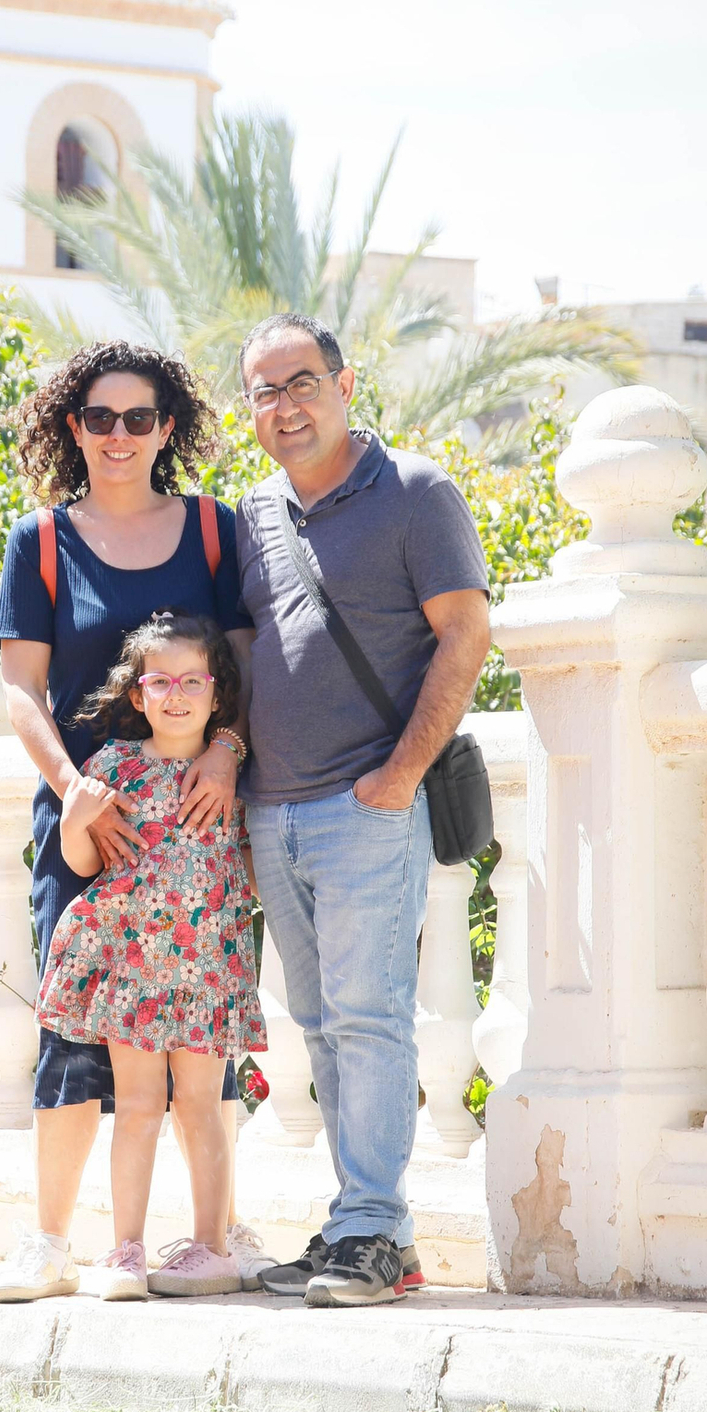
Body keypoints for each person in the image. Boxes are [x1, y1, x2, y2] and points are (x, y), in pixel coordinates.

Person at [0, 342, 270, 1304]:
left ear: (167, 429)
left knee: (197, 1036)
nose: (118, 435)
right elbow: (22, 691)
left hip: (199, 820)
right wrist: (73, 788)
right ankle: (52, 1243)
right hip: (84, 819)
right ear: (73, 428)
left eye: (138, 418)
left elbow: (244, 667)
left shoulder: (213, 532)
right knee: (74, 1037)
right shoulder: (42, 543)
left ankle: (209, 1235)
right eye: (99, 418)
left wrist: (229, 749)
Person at [236, 312, 491, 1308]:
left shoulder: (415, 493)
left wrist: (397, 774)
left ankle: (371, 1232)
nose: (285, 405)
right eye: (263, 390)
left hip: (367, 805)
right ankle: (366, 1226)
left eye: (300, 382)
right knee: (319, 1023)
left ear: (346, 384)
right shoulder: (252, 512)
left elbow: (463, 636)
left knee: (370, 1016)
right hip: (272, 808)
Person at [37, 611, 266, 1301]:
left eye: (192, 680)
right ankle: (125, 1251)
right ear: (136, 695)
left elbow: (249, 871)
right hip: (131, 965)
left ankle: (212, 1249)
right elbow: (81, 862)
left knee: (202, 1105)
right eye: (159, 681)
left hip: (204, 965)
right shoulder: (111, 768)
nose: (175, 694)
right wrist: (77, 814)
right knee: (136, 1105)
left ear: (218, 694)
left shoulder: (231, 778)